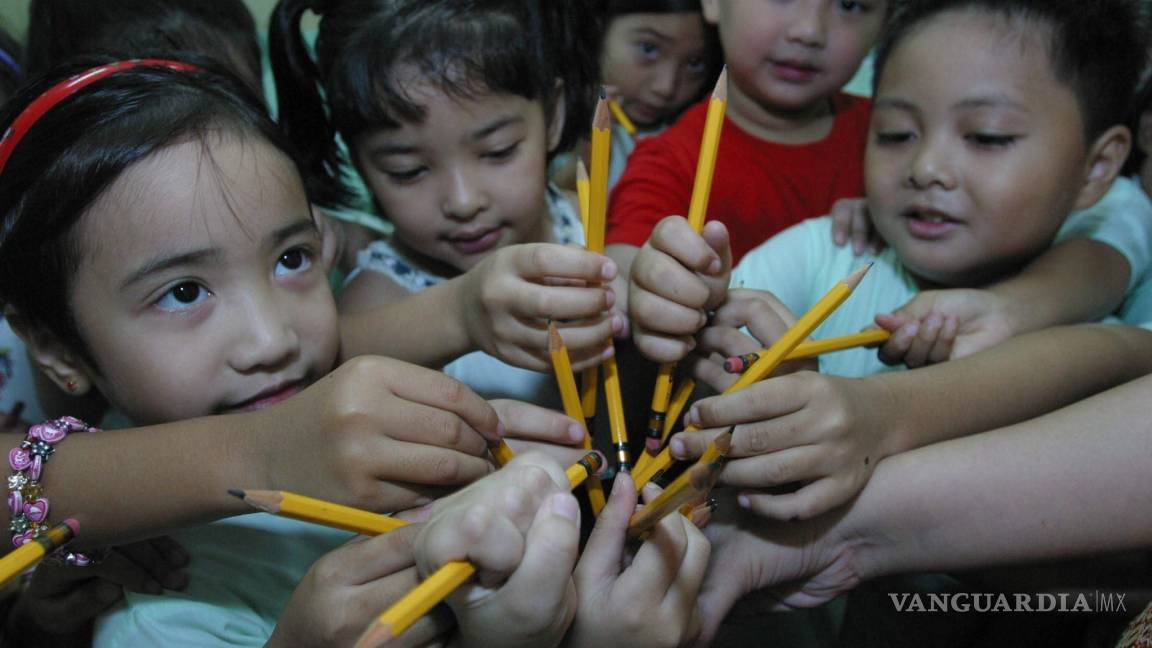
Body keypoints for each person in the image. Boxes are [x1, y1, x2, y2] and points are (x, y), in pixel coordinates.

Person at [0, 55, 583, 646]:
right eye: (182, 293)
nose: (273, 340)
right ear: (56, 350)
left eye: (292, 258)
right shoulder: (158, 616)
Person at [628, 0, 1152, 522]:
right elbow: (677, 411)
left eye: (988, 137)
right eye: (896, 135)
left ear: (1099, 165)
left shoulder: (1103, 334)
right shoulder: (818, 252)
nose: (926, 168)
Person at [271, 0, 620, 409]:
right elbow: (327, 377)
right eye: (408, 171)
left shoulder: (592, 221)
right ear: (361, 162)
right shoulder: (380, 298)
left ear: (553, 115)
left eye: (498, 151)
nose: (463, 201)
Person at [605, 0, 887, 281]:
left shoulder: (894, 135)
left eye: (850, 5)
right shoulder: (669, 164)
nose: (809, 31)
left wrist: (897, 224)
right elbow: (623, 277)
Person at [552, 0, 721, 192]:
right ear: (597, 28)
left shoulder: (699, 141)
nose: (665, 87)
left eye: (695, 63)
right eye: (648, 48)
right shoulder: (550, 120)